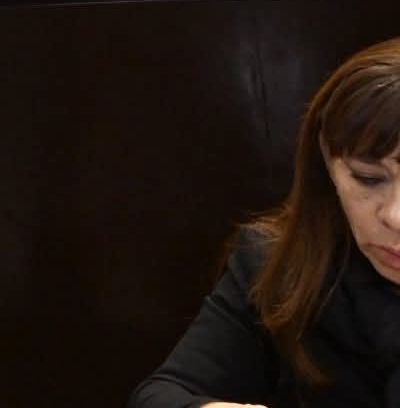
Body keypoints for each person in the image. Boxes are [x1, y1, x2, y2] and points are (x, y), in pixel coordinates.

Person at [131, 36, 400, 406]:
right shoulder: (276, 260)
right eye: (367, 178)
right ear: (327, 161)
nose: (394, 217)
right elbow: (160, 396)